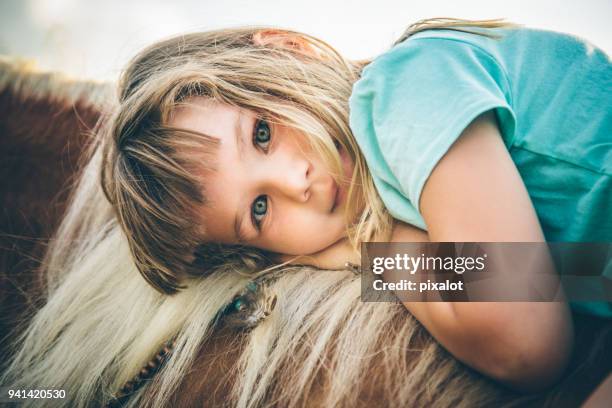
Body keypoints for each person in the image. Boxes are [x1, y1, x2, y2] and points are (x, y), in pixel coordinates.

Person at [2, 18, 610, 405]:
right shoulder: (407, 178)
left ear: (290, 50)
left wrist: (373, 255)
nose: (302, 185)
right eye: (260, 209)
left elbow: (525, 343)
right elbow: (564, 275)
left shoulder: (406, 89)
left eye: (263, 133)